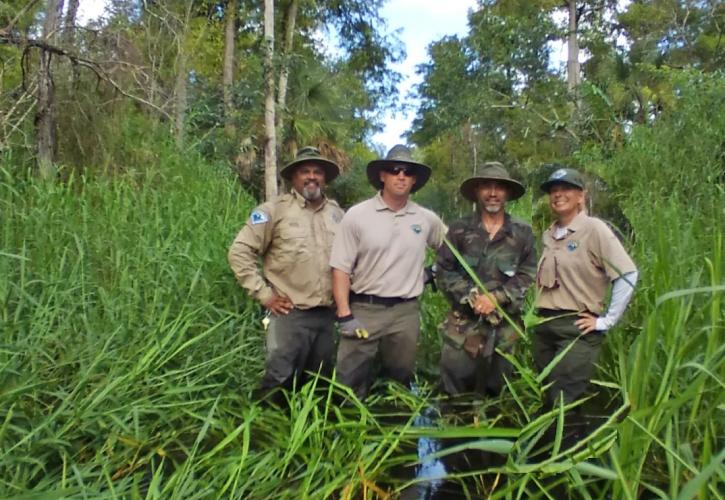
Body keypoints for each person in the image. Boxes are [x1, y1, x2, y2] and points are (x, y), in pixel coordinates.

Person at [330, 145, 447, 399]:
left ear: (414, 179)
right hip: (364, 309)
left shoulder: (425, 219)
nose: (401, 176)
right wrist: (344, 315)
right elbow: (340, 267)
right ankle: (346, 433)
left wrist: (431, 273)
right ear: (382, 176)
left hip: (405, 314)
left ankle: (397, 432)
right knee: (348, 382)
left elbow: (452, 251)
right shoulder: (357, 216)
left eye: (407, 171)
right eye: (394, 170)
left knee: (399, 382)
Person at [228, 146, 344, 401]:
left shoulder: (338, 214)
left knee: (320, 384)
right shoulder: (272, 211)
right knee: (279, 379)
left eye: (317, 172)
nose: (312, 177)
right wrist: (264, 295)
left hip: (326, 317)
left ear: (325, 178)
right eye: (305, 171)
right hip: (289, 314)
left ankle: (312, 436)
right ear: (293, 177)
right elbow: (239, 252)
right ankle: (269, 433)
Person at [534, 166, 638, 409]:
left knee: (564, 402)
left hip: (576, 329)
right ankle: (550, 446)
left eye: (566, 189)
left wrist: (606, 321)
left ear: (581, 195)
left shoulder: (594, 229)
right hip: (544, 328)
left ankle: (572, 444)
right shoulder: (548, 235)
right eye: (553, 190)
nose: (558, 195)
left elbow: (628, 273)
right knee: (547, 399)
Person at [436, 162, 537, 397]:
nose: (493, 193)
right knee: (454, 391)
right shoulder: (459, 229)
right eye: (486, 187)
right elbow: (443, 269)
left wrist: (497, 297)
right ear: (476, 192)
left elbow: (528, 273)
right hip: (462, 328)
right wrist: (471, 297)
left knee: (500, 393)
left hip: (504, 329)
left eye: (499, 188)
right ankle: (456, 430)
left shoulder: (522, 232)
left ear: (507, 193)